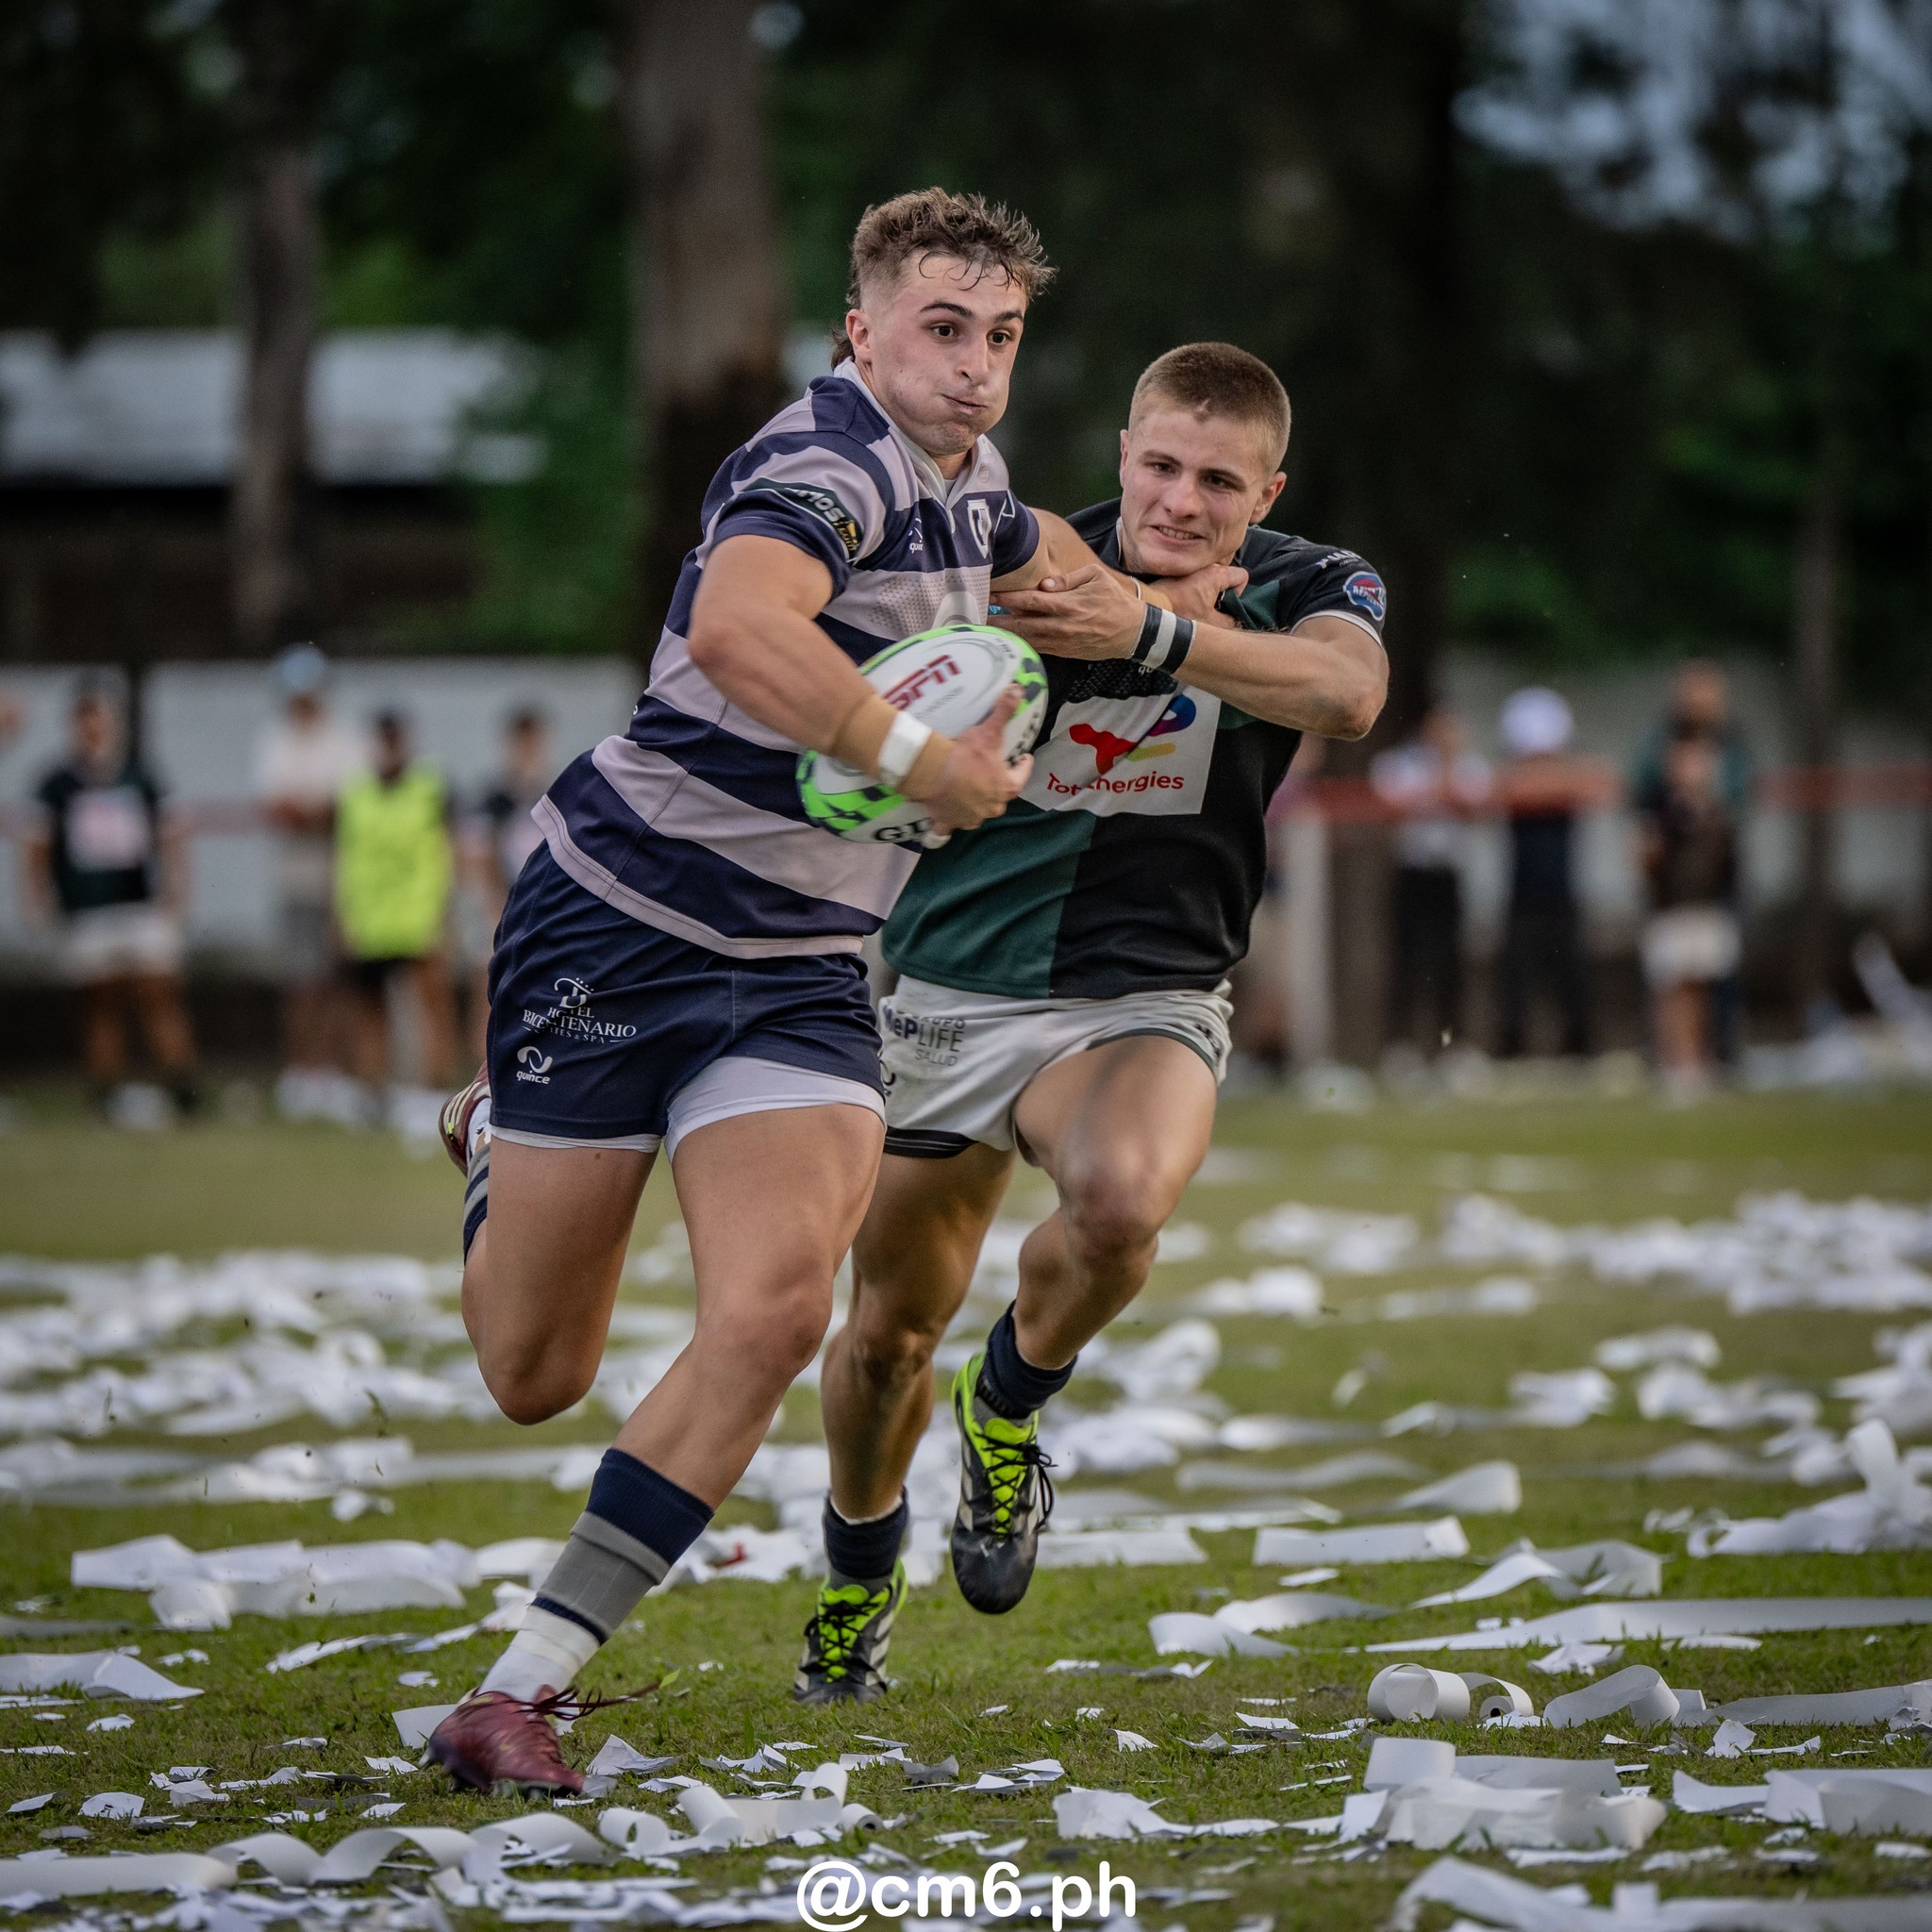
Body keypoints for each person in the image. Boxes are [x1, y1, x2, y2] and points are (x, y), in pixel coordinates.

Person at [424, 188, 1156, 1793]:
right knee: (532, 1371)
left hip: (803, 971)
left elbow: (1074, 581)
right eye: (942, 330)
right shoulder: (816, 466)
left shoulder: (977, 489)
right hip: (612, 930)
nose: (972, 368)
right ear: (862, 329)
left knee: (772, 1308)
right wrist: (924, 764)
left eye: (1001, 338)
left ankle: (522, 1687)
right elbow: (750, 628)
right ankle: (495, 1134)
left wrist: (1187, 615)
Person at [794, 341, 1388, 1704]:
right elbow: (861, 721)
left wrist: (1162, 636)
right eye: (1161, 466)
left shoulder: (1310, 581)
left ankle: (1006, 1414)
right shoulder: (1013, 566)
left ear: (1267, 489)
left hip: (1144, 993)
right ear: (1123, 453)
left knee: (1120, 1203)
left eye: (1219, 482)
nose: (1182, 501)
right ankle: (854, 1581)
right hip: (948, 987)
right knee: (885, 1333)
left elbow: (1349, 695)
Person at [22, 678, 199, 1116]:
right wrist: (37, 898)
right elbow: (36, 848)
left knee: (158, 994)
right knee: (100, 1004)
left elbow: (172, 835)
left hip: (140, 905)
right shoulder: (56, 783)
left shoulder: (140, 774)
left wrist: (177, 892)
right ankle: (106, 1092)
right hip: (86, 910)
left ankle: (181, 1088)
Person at [253, 644, 366, 1118]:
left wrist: (314, 809)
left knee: (339, 978)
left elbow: (351, 808)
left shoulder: (344, 739)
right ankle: (302, 1074)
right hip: (296, 878)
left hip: (344, 876)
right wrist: (319, 809)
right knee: (300, 979)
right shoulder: (275, 739)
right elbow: (277, 808)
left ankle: (334, 1074)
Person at [1632, 661, 1752, 1062]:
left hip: (1712, 894)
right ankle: (1670, 1060)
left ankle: (1713, 1057)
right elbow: (1643, 835)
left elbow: (1738, 812)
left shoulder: (1731, 750)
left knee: (1712, 979)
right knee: (1670, 981)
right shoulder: (1659, 768)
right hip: (1671, 898)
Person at [334, 710, 457, 1101]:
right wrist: (340, 915)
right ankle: (372, 1093)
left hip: (420, 914)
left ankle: (433, 1091)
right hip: (369, 919)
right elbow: (344, 856)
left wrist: (446, 910)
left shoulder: (431, 785)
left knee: (431, 1008)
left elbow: (447, 847)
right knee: (370, 1012)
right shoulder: (355, 792)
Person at [1492, 686, 1618, 1059]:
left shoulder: (1572, 774)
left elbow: (1604, 784)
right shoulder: (1511, 777)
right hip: (1522, 895)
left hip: (1563, 893)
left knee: (1574, 977)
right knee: (1515, 981)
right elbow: (1501, 791)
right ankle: (1512, 1050)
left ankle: (1578, 1048)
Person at [1372, 704, 1489, 1055]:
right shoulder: (1398, 763)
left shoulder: (1470, 766)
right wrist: (1439, 790)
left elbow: (1474, 808)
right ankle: (1402, 1045)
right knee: (1407, 960)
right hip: (1412, 871)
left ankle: (1451, 1045)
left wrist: (1434, 788)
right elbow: (1392, 808)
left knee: (1451, 963)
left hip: (1449, 872)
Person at [1639, 724, 1740, 1097]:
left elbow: (1729, 866)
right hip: (1671, 910)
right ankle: (1673, 1063)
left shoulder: (1718, 812)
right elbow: (1647, 863)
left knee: (1702, 988)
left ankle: (1699, 1060)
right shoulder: (1662, 814)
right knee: (1673, 990)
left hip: (1707, 908)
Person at [461, 707, 553, 1058]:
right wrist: (494, 905)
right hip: (497, 906)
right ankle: (482, 1069)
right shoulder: (493, 798)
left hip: (541, 910)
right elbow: (475, 853)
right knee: (487, 989)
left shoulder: (553, 794)